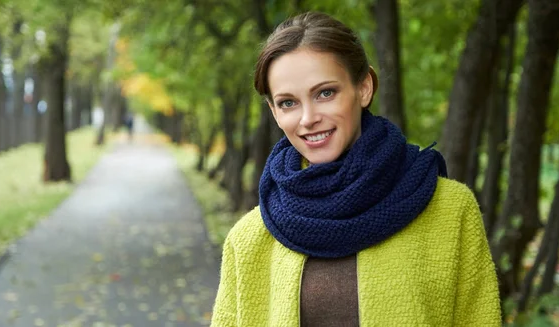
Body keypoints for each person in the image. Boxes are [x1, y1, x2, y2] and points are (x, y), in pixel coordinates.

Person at [211, 11, 500, 327]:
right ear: (274, 112)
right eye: (288, 103)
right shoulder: (250, 238)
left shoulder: (451, 210)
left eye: (325, 93)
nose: (308, 118)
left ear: (364, 88)